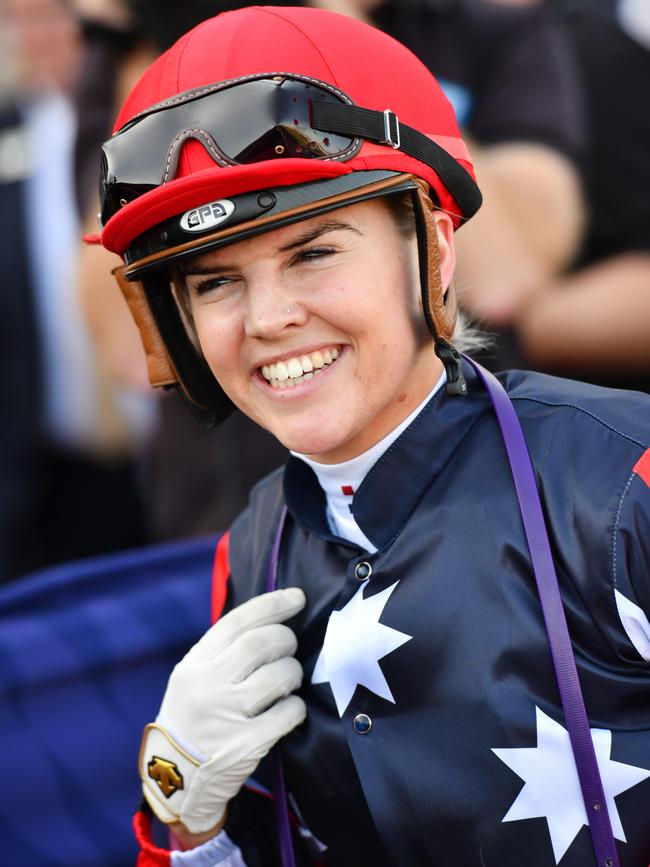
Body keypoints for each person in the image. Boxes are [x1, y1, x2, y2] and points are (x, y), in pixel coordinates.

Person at [91, 6, 650, 866]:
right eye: (215, 283)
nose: (270, 318)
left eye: (313, 252)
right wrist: (187, 817)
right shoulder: (248, 555)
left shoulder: (624, 479)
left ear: (433, 245)